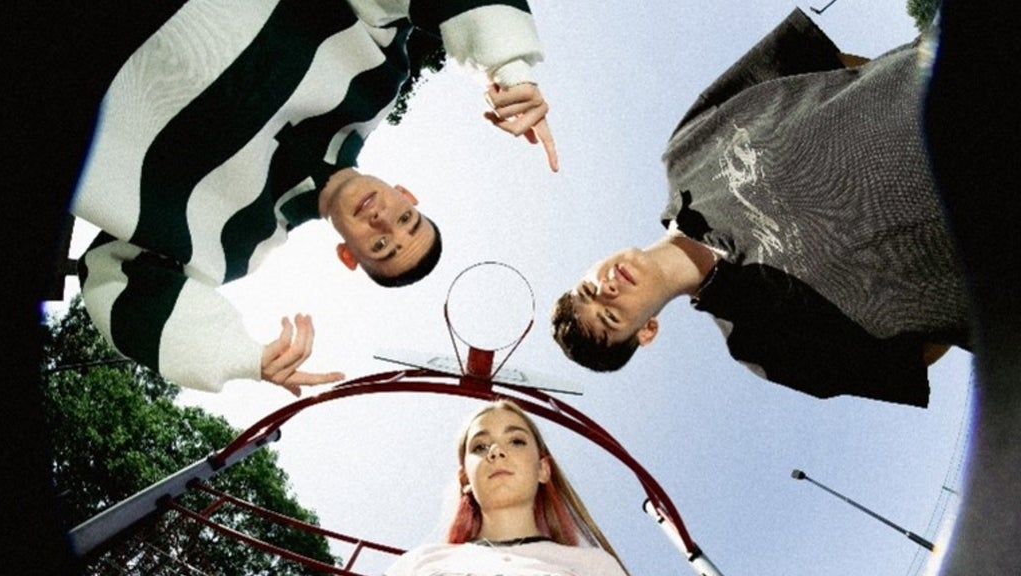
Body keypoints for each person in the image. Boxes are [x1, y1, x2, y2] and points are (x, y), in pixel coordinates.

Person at [72, 0, 558, 395]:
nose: (384, 222)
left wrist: (237, 355)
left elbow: (112, 278)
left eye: (381, 246)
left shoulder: (238, 242)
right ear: (405, 193)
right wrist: (509, 65)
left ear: (349, 256)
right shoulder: (378, 78)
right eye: (406, 218)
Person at [551, 8, 970, 408]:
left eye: (589, 290)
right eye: (611, 317)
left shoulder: (684, 150)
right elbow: (909, 357)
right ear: (647, 331)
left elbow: (824, 64)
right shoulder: (760, 347)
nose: (607, 291)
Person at [385, 399, 630, 575]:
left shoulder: (593, 566)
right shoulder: (418, 563)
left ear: (543, 469)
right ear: (466, 480)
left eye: (516, 441)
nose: (496, 451)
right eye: (480, 447)